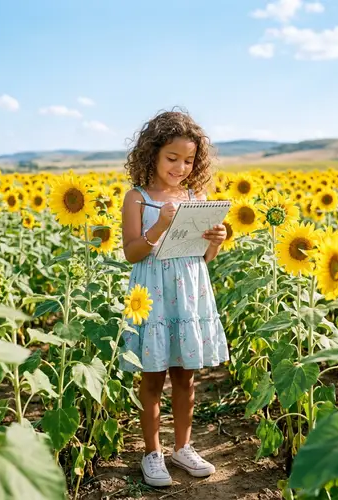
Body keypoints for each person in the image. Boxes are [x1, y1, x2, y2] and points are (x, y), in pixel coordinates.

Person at [119, 109, 230, 487]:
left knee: (186, 376)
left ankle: (183, 447)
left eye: (188, 160)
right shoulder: (137, 199)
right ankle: (152, 453)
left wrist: (215, 242)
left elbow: (202, 256)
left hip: (189, 292)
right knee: (152, 378)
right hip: (152, 294)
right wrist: (161, 226)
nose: (181, 167)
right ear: (151, 153)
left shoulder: (195, 197)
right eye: (173, 158)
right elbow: (132, 252)